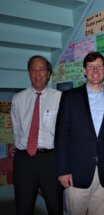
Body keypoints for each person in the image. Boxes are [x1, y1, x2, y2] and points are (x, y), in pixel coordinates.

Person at [55, 51, 104, 215]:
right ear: (84, 70)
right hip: (76, 174)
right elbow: (61, 136)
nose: (95, 70)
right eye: (90, 66)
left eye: (99, 66)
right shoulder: (70, 97)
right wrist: (62, 170)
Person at [11, 55, 63, 215]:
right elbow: (17, 129)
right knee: (23, 207)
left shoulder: (60, 98)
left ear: (48, 73)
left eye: (42, 70)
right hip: (24, 160)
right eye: (34, 69)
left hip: (51, 160)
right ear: (29, 72)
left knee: (55, 207)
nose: (38, 73)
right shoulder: (18, 99)